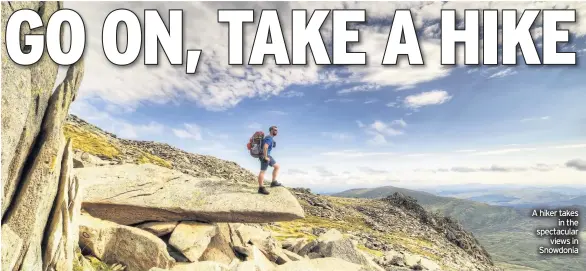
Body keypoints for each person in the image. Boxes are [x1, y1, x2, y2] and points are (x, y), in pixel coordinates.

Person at [258, 125, 282, 195]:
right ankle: (261, 188)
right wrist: (265, 157)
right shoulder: (269, 138)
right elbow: (265, 147)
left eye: (276, 130)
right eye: (274, 130)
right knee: (263, 171)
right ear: (271, 130)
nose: (276, 131)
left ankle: (273, 182)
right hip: (264, 155)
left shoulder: (270, 138)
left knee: (277, 166)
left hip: (268, 155)